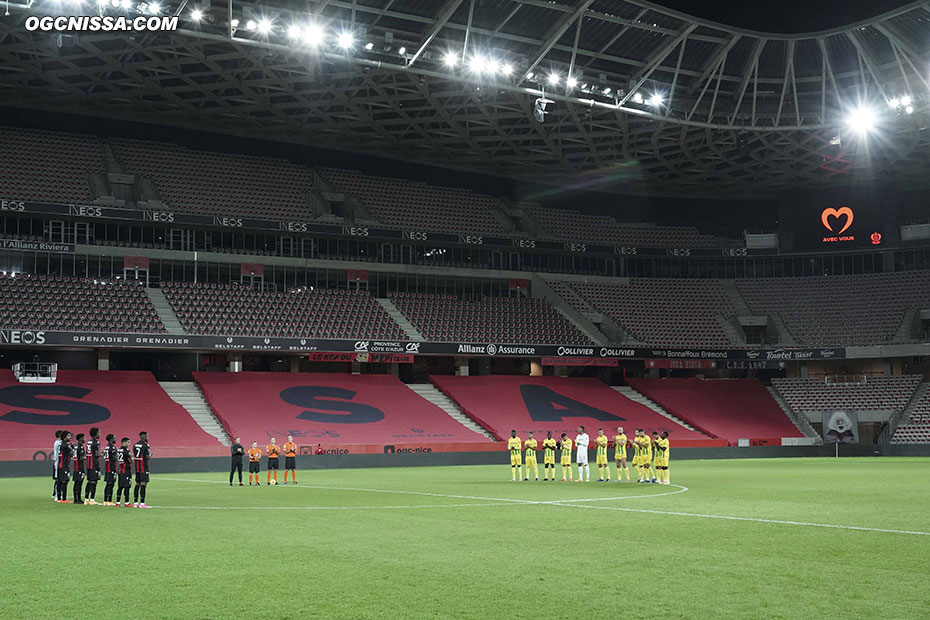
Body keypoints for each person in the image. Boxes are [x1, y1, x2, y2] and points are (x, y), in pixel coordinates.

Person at [132, 431, 152, 508]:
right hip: (143, 467)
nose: (148, 437)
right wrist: (150, 456)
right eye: (147, 436)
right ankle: (142, 503)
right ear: (143, 437)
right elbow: (147, 457)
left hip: (137, 468)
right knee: (143, 484)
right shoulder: (145, 446)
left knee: (137, 484)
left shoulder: (135, 445)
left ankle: (135, 503)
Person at [84, 427, 101, 504]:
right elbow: (97, 454)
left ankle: (86, 499)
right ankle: (92, 499)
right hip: (94, 464)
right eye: (99, 433)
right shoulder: (96, 442)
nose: (100, 434)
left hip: (88, 464)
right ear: (96, 433)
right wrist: (102, 454)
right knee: (94, 481)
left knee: (89, 481)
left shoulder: (89, 442)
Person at [55, 430, 72, 503]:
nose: (70, 437)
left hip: (59, 465)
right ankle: (64, 499)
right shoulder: (65, 445)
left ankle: (59, 498)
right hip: (64, 465)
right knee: (65, 481)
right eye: (68, 435)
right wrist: (71, 448)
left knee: (59, 481)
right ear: (65, 437)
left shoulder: (60, 444)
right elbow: (71, 454)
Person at [116, 437, 133, 507]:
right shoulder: (126, 451)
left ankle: (118, 502)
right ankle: (126, 502)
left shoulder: (119, 450)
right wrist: (131, 457)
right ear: (124, 442)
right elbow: (130, 461)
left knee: (120, 487)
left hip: (120, 470)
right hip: (126, 470)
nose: (129, 444)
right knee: (127, 487)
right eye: (128, 442)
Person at [102, 434, 118, 506]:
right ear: (111, 439)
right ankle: (109, 500)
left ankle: (105, 500)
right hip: (111, 467)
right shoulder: (112, 447)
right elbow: (114, 458)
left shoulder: (106, 447)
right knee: (111, 484)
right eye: (114, 438)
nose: (115, 439)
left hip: (107, 467)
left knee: (108, 484)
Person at [72, 433, 86, 505]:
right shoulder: (80, 447)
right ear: (80, 439)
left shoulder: (75, 446)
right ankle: (77, 499)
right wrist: (86, 457)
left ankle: (77, 498)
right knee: (79, 483)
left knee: (77, 483)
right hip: (79, 467)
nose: (85, 439)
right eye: (84, 438)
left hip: (76, 467)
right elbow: (81, 458)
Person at [52, 430, 63, 501]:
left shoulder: (57, 443)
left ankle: (55, 494)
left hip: (58, 462)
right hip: (58, 463)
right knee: (58, 480)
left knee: (59, 479)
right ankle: (56, 495)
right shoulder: (58, 443)